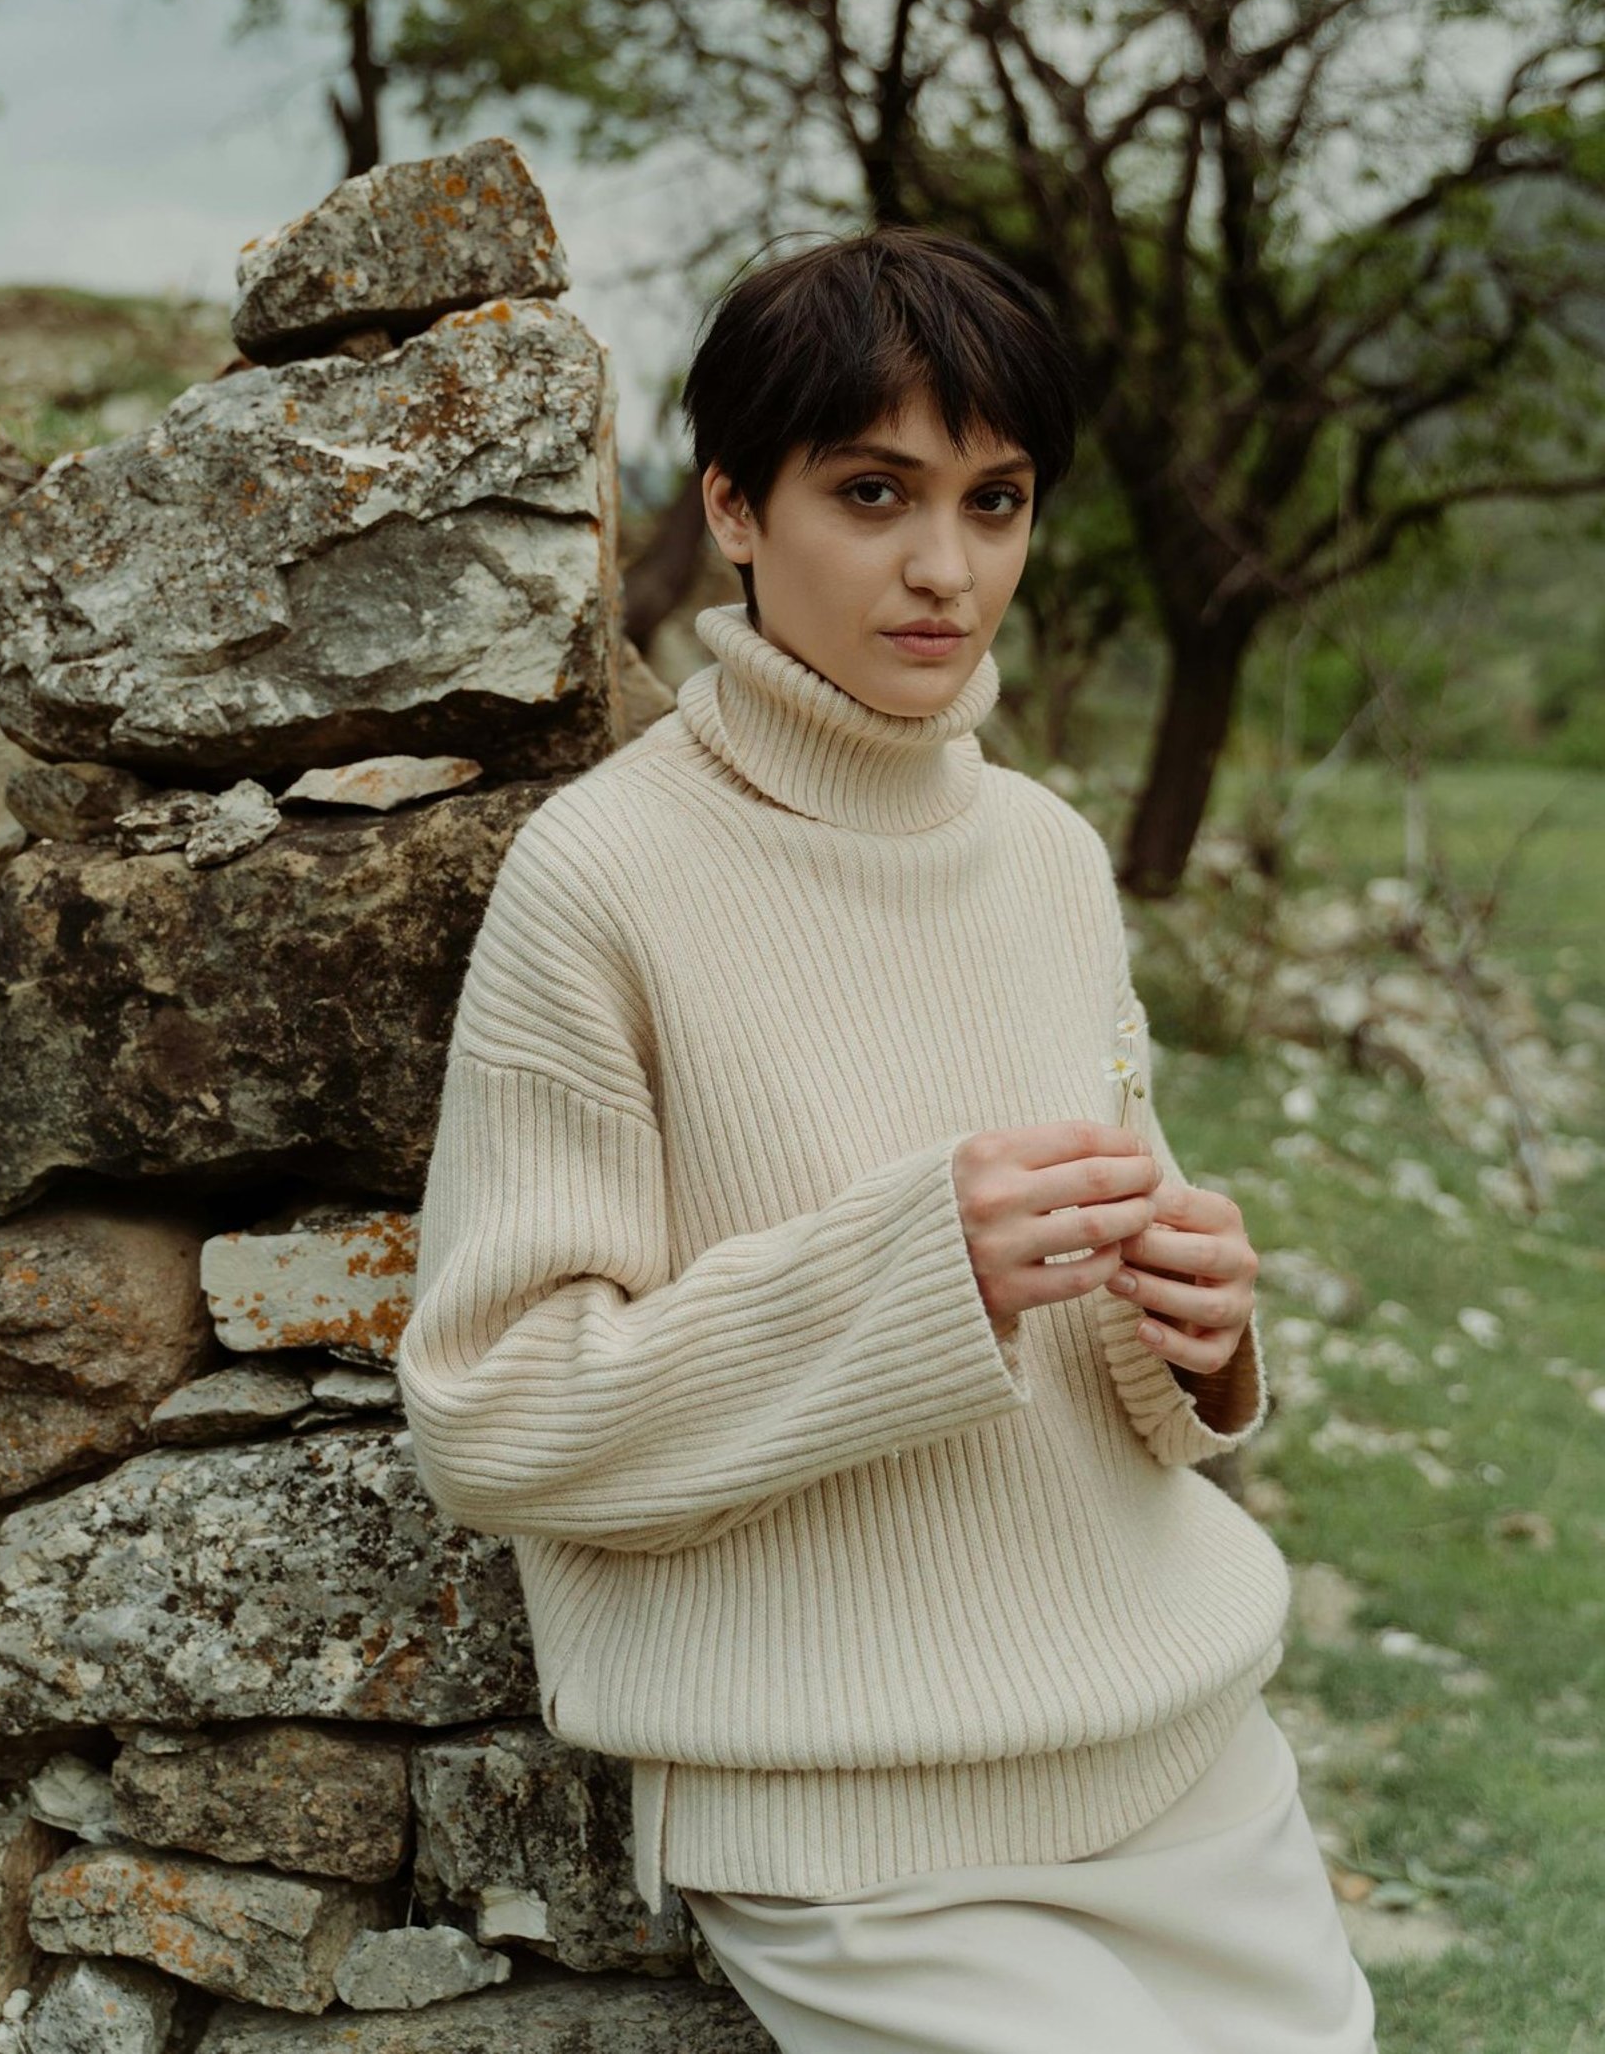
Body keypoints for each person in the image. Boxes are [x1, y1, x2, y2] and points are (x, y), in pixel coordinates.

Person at [396, 227, 1377, 2052]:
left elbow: (1114, 1342)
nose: (947, 568)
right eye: (874, 492)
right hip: (857, 1832)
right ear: (733, 507)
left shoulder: (1050, 855)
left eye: (995, 500)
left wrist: (1202, 1330)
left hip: (1188, 1763)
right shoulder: (600, 875)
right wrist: (915, 1272)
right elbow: (492, 1408)